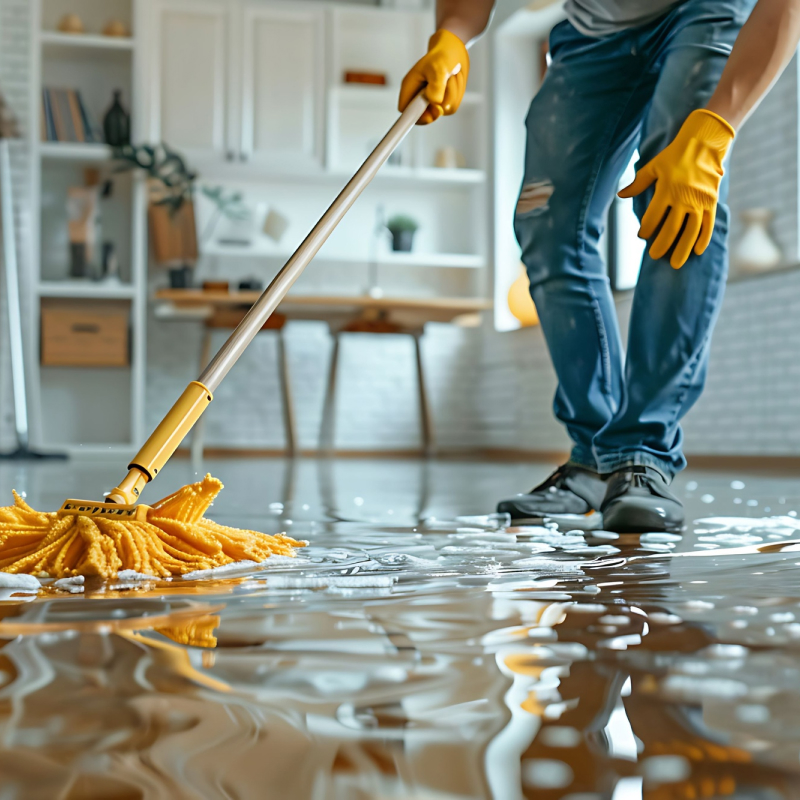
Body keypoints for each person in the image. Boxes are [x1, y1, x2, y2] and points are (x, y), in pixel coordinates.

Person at [398, 0, 800, 533]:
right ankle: (593, 456)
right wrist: (452, 35)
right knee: (546, 221)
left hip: (704, 9)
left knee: (677, 203)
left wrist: (715, 128)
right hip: (591, 34)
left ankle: (642, 455)